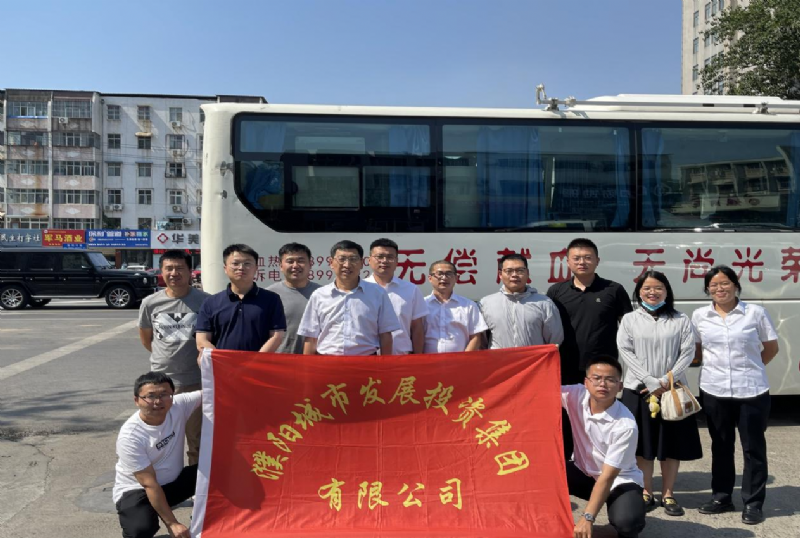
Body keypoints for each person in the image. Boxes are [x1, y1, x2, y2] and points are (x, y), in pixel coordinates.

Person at [693, 265, 779, 525]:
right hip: (714, 389)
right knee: (721, 446)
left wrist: (751, 368)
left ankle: (753, 503)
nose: (720, 289)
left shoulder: (755, 313)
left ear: (735, 285)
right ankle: (722, 497)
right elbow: (697, 351)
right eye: (714, 285)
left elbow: (771, 347)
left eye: (725, 283)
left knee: (753, 448)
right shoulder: (700, 316)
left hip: (751, 390)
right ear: (707, 289)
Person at [617, 270, 702, 516]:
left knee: (670, 446)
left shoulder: (680, 319)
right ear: (639, 292)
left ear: (667, 291)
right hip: (638, 389)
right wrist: (649, 380)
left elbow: (687, 352)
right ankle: (646, 491)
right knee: (642, 446)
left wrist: (665, 380)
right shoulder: (629, 319)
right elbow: (625, 350)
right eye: (646, 288)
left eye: (658, 288)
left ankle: (668, 494)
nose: (652, 292)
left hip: (672, 391)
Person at [547, 238, 632, 460]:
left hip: (602, 372)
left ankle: (601, 466)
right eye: (576, 258)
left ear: (597, 261)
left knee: (601, 419)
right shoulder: (556, 292)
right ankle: (569, 467)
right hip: (567, 368)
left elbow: (629, 328)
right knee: (567, 420)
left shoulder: (614, 290)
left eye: (587, 257)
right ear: (567, 262)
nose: (582, 262)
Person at [138, 249, 209, 466]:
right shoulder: (150, 303)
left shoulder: (206, 301)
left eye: (179, 268)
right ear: (161, 271)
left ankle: (195, 480)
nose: (174, 273)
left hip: (196, 382)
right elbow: (147, 339)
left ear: (190, 271)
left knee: (197, 440)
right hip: (161, 384)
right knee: (162, 440)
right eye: (168, 268)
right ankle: (167, 479)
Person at [562, 357, 646, 538]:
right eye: (597, 378)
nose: (602, 384)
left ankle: (619, 519)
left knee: (627, 522)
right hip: (584, 473)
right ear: (586, 382)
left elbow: (607, 476)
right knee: (543, 470)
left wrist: (588, 517)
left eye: (610, 380)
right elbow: (539, 389)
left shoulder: (625, 425)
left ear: (620, 386)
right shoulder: (575, 394)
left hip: (618, 481)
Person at [113, 372, 200, 538]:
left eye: (164, 395)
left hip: (173, 483)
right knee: (140, 530)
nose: (158, 401)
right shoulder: (130, 436)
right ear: (137, 400)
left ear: (172, 396)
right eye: (150, 396)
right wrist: (172, 523)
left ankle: (207, 520)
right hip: (139, 491)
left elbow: (212, 392)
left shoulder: (179, 405)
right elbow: (149, 484)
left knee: (218, 470)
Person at [298, 240, 401, 355]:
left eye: (353, 259)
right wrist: (307, 365)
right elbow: (311, 337)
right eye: (342, 259)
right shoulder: (319, 295)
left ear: (362, 263)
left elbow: (385, 335)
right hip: (327, 361)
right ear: (331, 263)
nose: (347, 265)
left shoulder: (377, 293)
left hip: (366, 361)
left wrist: (385, 364)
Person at [195, 244, 286, 352]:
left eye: (247, 263)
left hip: (259, 362)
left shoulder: (271, 299)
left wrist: (256, 359)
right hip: (222, 362)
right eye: (235, 263)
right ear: (225, 268)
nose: (241, 268)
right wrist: (220, 359)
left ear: (256, 268)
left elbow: (276, 336)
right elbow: (202, 340)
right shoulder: (210, 302)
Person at [479, 253, 563, 349]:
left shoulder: (544, 303)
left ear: (527, 273)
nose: (514, 275)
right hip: (499, 358)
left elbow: (554, 340)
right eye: (509, 271)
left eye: (520, 270)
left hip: (533, 358)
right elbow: (481, 341)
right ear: (500, 274)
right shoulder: (486, 304)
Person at [365, 238, 428, 354]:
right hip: (368, 357)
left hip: (402, 357)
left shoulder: (411, 290)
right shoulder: (360, 289)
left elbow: (417, 328)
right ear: (369, 260)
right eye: (379, 257)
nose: (384, 261)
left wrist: (418, 358)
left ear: (397, 261)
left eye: (390, 257)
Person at [423, 259, 488, 353]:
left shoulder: (468, 305)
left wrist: (464, 359)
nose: (444, 278)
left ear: (456, 278)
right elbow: (415, 335)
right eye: (439, 274)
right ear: (430, 278)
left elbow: (476, 337)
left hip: (460, 360)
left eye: (449, 274)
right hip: (427, 360)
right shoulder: (422, 304)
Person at [267, 242, 321, 354]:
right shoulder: (269, 295)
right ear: (281, 266)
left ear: (310, 264)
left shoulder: (322, 294)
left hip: (313, 359)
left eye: (301, 261)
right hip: (278, 360)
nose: (295, 266)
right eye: (290, 261)